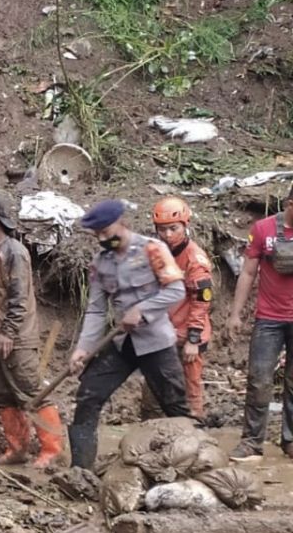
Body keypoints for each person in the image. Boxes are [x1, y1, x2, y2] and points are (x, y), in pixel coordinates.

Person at [66, 200, 189, 470]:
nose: (102, 239)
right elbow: (97, 310)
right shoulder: (101, 263)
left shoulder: (152, 250)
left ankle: (193, 463)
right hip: (123, 344)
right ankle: (80, 471)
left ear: (122, 223)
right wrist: (83, 348)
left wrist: (142, 310)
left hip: (156, 342)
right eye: (96, 235)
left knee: (175, 405)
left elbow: (176, 290)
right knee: (88, 395)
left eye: (106, 232)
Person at [0, 192, 63, 468]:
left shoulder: (14, 252)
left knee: (31, 391)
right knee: (3, 397)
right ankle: (17, 449)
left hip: (16, 340)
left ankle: (52, 450)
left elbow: (19, 296)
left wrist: (9, 331)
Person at [226, 186, 293, 461]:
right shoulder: (263, 229)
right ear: (291, 203)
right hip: (269, 318)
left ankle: (290, 440)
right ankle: (252, 441)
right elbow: (248, 272)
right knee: (259, 379)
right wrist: (235, 313)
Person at [142, 197, 212, 420]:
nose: (168, 235)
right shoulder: (156, 253)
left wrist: (193, 339)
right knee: (153, 388)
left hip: (189, 331)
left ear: (185, 225)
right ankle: (152, 429)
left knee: (190, 389)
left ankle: (195, 431)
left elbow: (201, 300)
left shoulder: (195, 259)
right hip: (163, 331)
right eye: (162, 230)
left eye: (173, 228)